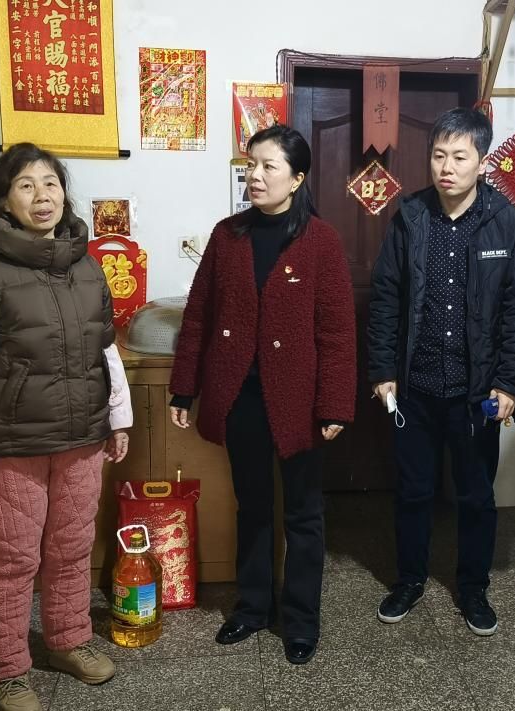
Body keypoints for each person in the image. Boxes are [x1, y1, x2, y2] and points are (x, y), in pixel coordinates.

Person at [0, 143, 133, 711]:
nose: (42, 195)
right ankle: (8, 671)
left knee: (72, 548)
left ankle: (68, 641)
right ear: (4, 201)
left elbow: (105, 349)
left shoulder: (87, 268)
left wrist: (117, 418)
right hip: (13, 444)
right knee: (12, 559)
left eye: (50, 183)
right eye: (26, 185)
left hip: (83, 438)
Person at [168, 124, 356, 665]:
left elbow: (337, 333)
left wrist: (335, 405)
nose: (255, 176)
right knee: (252, 506)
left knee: (303, 514)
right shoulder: (227, 236)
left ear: (296, 178)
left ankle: (301, 620)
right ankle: (252, 608)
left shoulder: (321, 241)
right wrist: (184, 389)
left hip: (300, 402)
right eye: (251, 165)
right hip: (241, 398)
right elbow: (198, 317)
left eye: (268, 166)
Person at [367, 107, 515, 636]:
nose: (447, 167)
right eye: (439, 155)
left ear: (483, 162)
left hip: (477, 391)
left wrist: (510, 383)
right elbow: (385, 297)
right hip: (415, 387)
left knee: (476, 496)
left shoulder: (507, 222)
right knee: (413, 491)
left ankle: (473, 588)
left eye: (460, 157)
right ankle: (409, 580)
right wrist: (382, 369)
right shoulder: (410, 216)